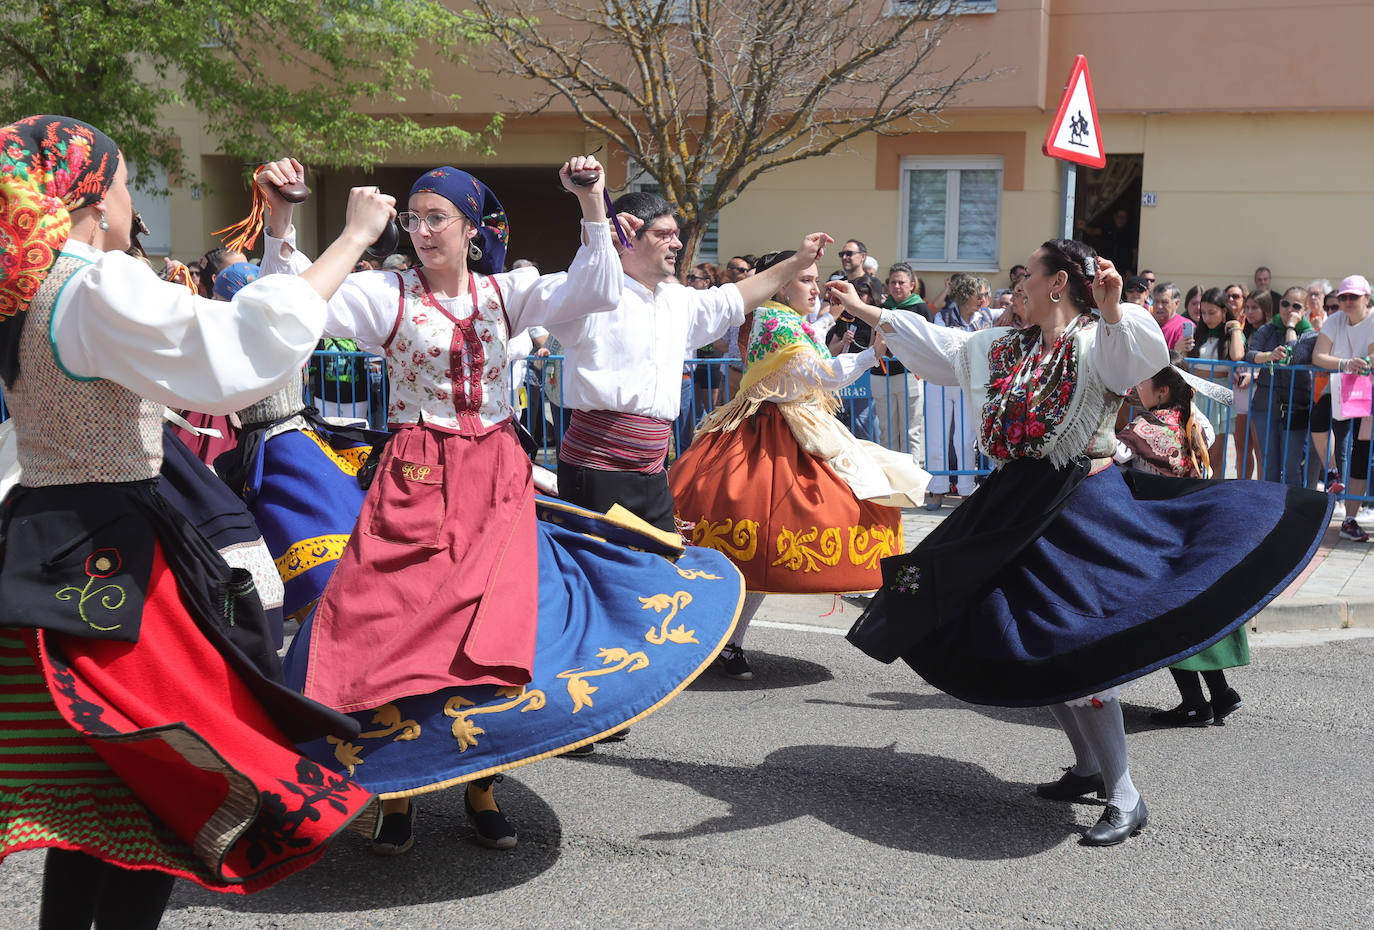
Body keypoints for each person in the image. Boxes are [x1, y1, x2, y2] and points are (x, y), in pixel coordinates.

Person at [256, 156, 742, 853]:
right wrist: (284, 223)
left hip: (495, 475)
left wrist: (591, 202)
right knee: (391, 628)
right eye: (413, 218)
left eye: (437, 218)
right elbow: (291, 309)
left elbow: (596, 289)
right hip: (416, 477)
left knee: (497, 633)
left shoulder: (506, 292)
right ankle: (397, 791)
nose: (422, 231)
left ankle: (483, 785)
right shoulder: (386, 294)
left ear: (471, 228)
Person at [0, 114, 380, 928]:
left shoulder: (26, 291)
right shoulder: (95, 285)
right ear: (93, 199)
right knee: (174, 777)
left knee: (95, 792)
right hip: (117, 552)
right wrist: (350, 240)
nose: (133, 203)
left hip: (46, 543)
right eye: (128, 184)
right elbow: (235, 355)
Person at [838, 237, 1331, 847]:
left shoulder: (1100, 340)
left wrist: (1116, 304)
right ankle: (1088, 767)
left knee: (1080, 649)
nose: (1015, 283)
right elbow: (943, 349)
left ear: (1056, 285)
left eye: (1029, 275)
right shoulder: (1006, 346)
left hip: (1079, 509)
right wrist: (867, 312)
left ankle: (1125, 794)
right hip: (1016, 507)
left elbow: (1141, 357)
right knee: (1035, 646)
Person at [669, 250, 927, 679]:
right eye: (805, 279)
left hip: (790, 429)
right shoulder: (774, 321)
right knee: (760, 543)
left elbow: (806, 361)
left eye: (814, 278)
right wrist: (868, 354)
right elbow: (821, 373)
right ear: (781, 282)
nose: (815, 287)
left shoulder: (779, 319)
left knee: (764, 548)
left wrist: (836, 335)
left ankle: (725, 640)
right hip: (768, 438)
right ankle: (721, 639)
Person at [548, 191, 834, 532]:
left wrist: (798, 261)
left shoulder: (678, 300)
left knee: (662, 572)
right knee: (600, 576)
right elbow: (576, 290)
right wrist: (593, 221)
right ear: (627, 238)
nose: (677, 244)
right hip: (595, 471)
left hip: (653, 471)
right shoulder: (590, 297)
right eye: (663, 235)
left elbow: (735, 298)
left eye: (676, 235)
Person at [1114, 366, 1249, 726]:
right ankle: (1220, 694)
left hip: (1160, 529)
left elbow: (1114, 453)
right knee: (1194, 611)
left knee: (1168, 616)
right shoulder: (1190, 417)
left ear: (1160, 392)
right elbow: (1207, 432)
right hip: (1193, 524)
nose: (1136, 387)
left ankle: (1194, 703)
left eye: (1142, 382)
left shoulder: (1146, 427)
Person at [1310, 275, 1374, 542]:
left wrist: (1359, 363)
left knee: (1361, 452)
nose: (1346, 301)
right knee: (1319, 420)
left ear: (1366, 298)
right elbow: (1318, 356)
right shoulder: (1335, 319)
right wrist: (1346, 364)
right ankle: (1333, 470)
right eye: (1343, 297)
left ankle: (1350, 518)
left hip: (1368, 395)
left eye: (1353, 297)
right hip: (1338, 389)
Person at [926, 273, 994, 508]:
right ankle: (937, 491)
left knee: (965, 439)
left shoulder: (985, 316)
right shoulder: (942, 316)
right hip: (942, 382)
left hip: (968, 383)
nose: (984, 298)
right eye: (980, 294)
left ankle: (966, 490)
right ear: (967, 296)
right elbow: (943, 349)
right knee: (937, 437)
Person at [1245, 286, 1319, 487]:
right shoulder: (1267, 329)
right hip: (1265, 403)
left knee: (1291, 465)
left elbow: (1296, 358)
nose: (1289, 309)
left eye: (1296, 306)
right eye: (1285, 304)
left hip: (1296, 406)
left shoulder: (1310, 335)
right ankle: (1270, 508)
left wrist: (1290, 328)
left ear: (1305, 310)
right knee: (1269, 462)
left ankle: (1291, 510)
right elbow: (1250, 354)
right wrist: (1269, 356)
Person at [873, 263, 929, 462]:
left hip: (910, 375)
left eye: (901, 282)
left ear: (912, 285)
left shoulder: (920, 307)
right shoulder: (882, 309)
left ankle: (913, 483)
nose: (896, 286)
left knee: (910, 432)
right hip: (883, 375)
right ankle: (892, 480)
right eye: (893, 282)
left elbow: (927, 341)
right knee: (887, 432)